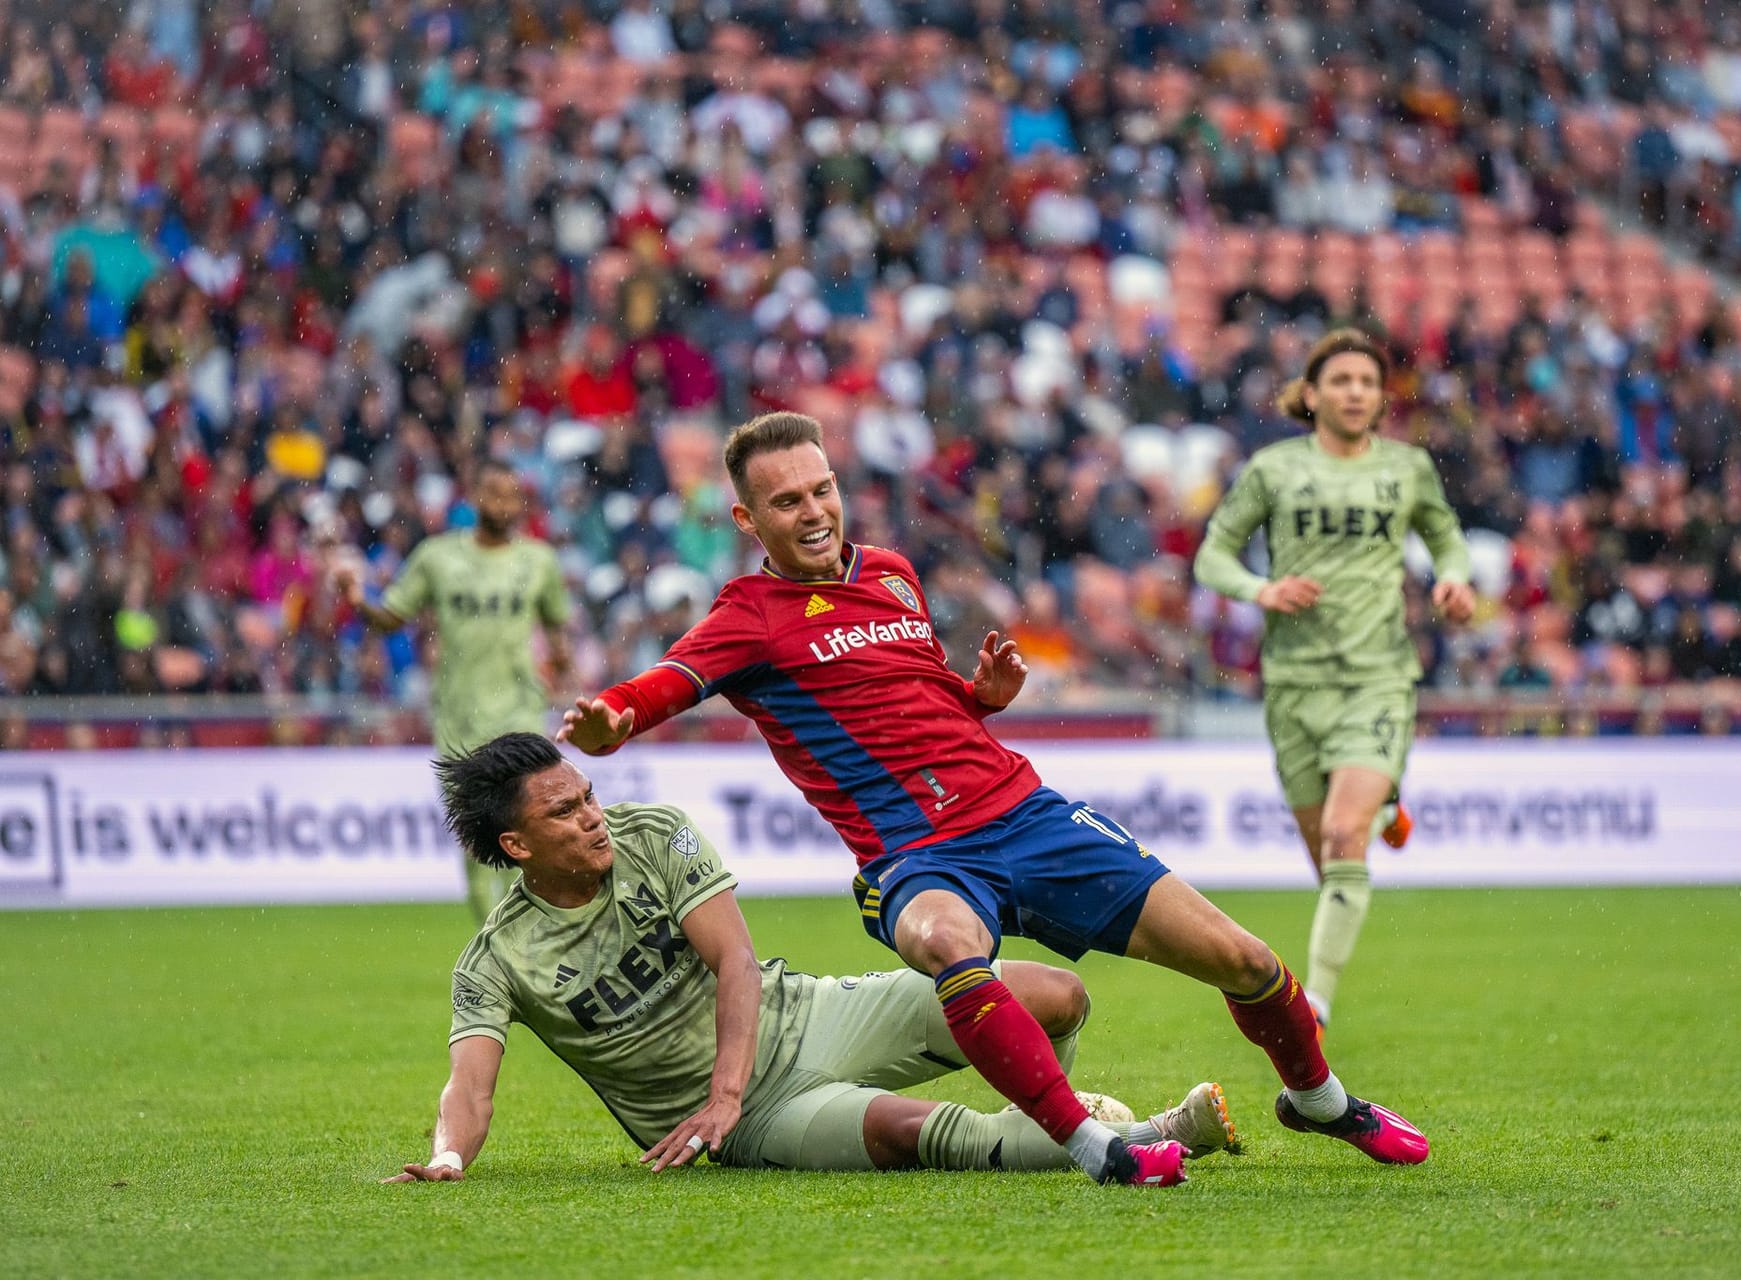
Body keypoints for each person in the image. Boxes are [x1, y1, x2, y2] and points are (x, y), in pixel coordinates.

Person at [558, 412, 1430, 1191]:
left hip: (1027, 816)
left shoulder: (894, 575)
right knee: (947, 944)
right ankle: (1093, 1146)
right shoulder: (750, 613)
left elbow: (917, 696)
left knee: (1241, 959)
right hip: (915, 855)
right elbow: (667, 681)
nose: (815, 511)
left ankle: (1320, 1099)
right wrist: (613, 720)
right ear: (747, 520)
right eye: (786, 502)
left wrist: (981, 697)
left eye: (822, 488)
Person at [384, 733, 1235, 1183]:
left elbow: (737, 963)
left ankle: (1047, 1119)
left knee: (1059, 994)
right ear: (516, 843)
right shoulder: (494, 961)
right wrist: (451, 1158)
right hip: (751, 1121)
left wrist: (723, 1090)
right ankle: (1150, 1134)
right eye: (564, 812)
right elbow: (472, 1084)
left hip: (808, 1014)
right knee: (923, 1138)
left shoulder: (654, 832)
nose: (592, 815)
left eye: (588, 795)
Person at [1194, 328, 1475, 1035]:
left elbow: (1445, 537)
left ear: (1381, 399)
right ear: (1311, 395)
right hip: (1294, 684)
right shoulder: (1273, 470)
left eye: (1368, 382)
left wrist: (1453, 579)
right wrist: (1261, 590)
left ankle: (1312, 1004)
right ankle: (1387, 802)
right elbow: (1213, 557)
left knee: (1346, 839)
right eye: (1341, 380)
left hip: (1378, 674)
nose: (1356, 392)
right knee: (1331, 859)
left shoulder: (1406, 468)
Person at [336, 460, 573, 919]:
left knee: (530, 829)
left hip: (520, 713)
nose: (501, 503)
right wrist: (357, 600)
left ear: (520, 503)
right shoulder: (437, 557)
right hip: (459, 717)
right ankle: (497, 938)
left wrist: (563, 668)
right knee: (476, 842)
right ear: (473, 496)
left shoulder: (539, 561)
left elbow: (558, 631)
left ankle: (526, 937)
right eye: (492, 493)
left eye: (509, 495)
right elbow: (392, 617)